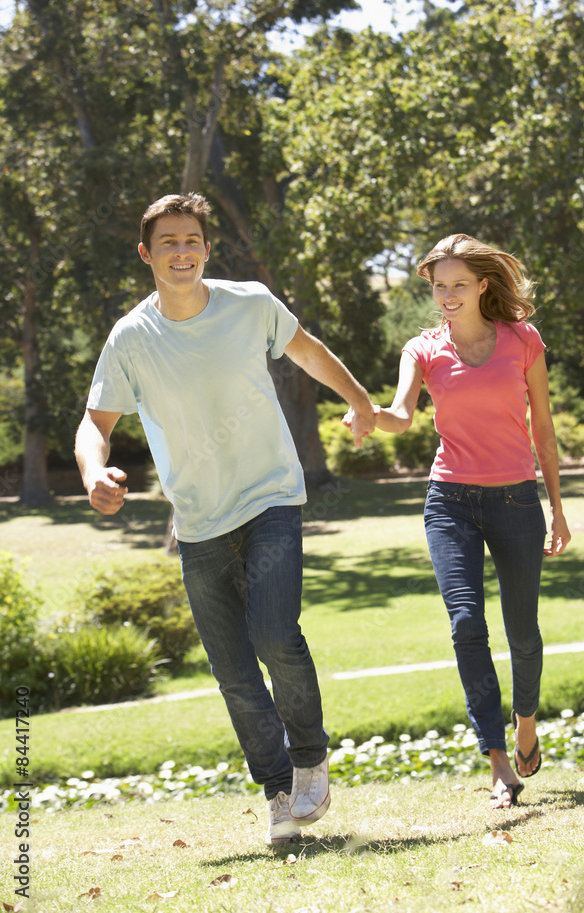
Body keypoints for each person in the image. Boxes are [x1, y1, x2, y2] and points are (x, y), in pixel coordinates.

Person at [75, 192, 377, 843]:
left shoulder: (250, 304)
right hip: (197, 520)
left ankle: (309, 758)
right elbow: (94, 424)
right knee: (234, 672)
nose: (181, 251)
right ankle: (277, 792)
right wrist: (93, 473)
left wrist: (359, 400)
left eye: (191, 240)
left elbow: (308, 351)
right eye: (168, 242)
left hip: (270, 495)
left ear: (207, 249)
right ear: (146, 254)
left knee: (274, 634)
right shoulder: (131, 337)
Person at [344, 234, 571, 809]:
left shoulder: (523, 341)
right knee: (467, 623)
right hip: (450, 502)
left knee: (523, 631)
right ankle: (498, 760)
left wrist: (558, 508)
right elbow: (401, 416)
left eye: (459, 285)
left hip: (516, 499)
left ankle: (525, 721)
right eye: (439, 285)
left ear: (483, 285)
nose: (447, 295)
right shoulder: (422, 349)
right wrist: (369, 413)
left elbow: (544, 430)